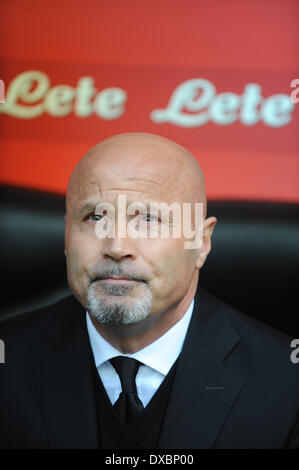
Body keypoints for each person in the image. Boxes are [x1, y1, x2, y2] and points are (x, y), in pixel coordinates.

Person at [0, 132, 298, 449]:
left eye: (148, 219)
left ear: (201, 242)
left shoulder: (288, 386)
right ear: (66, 234)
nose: (116, 247)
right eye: (95, 217)